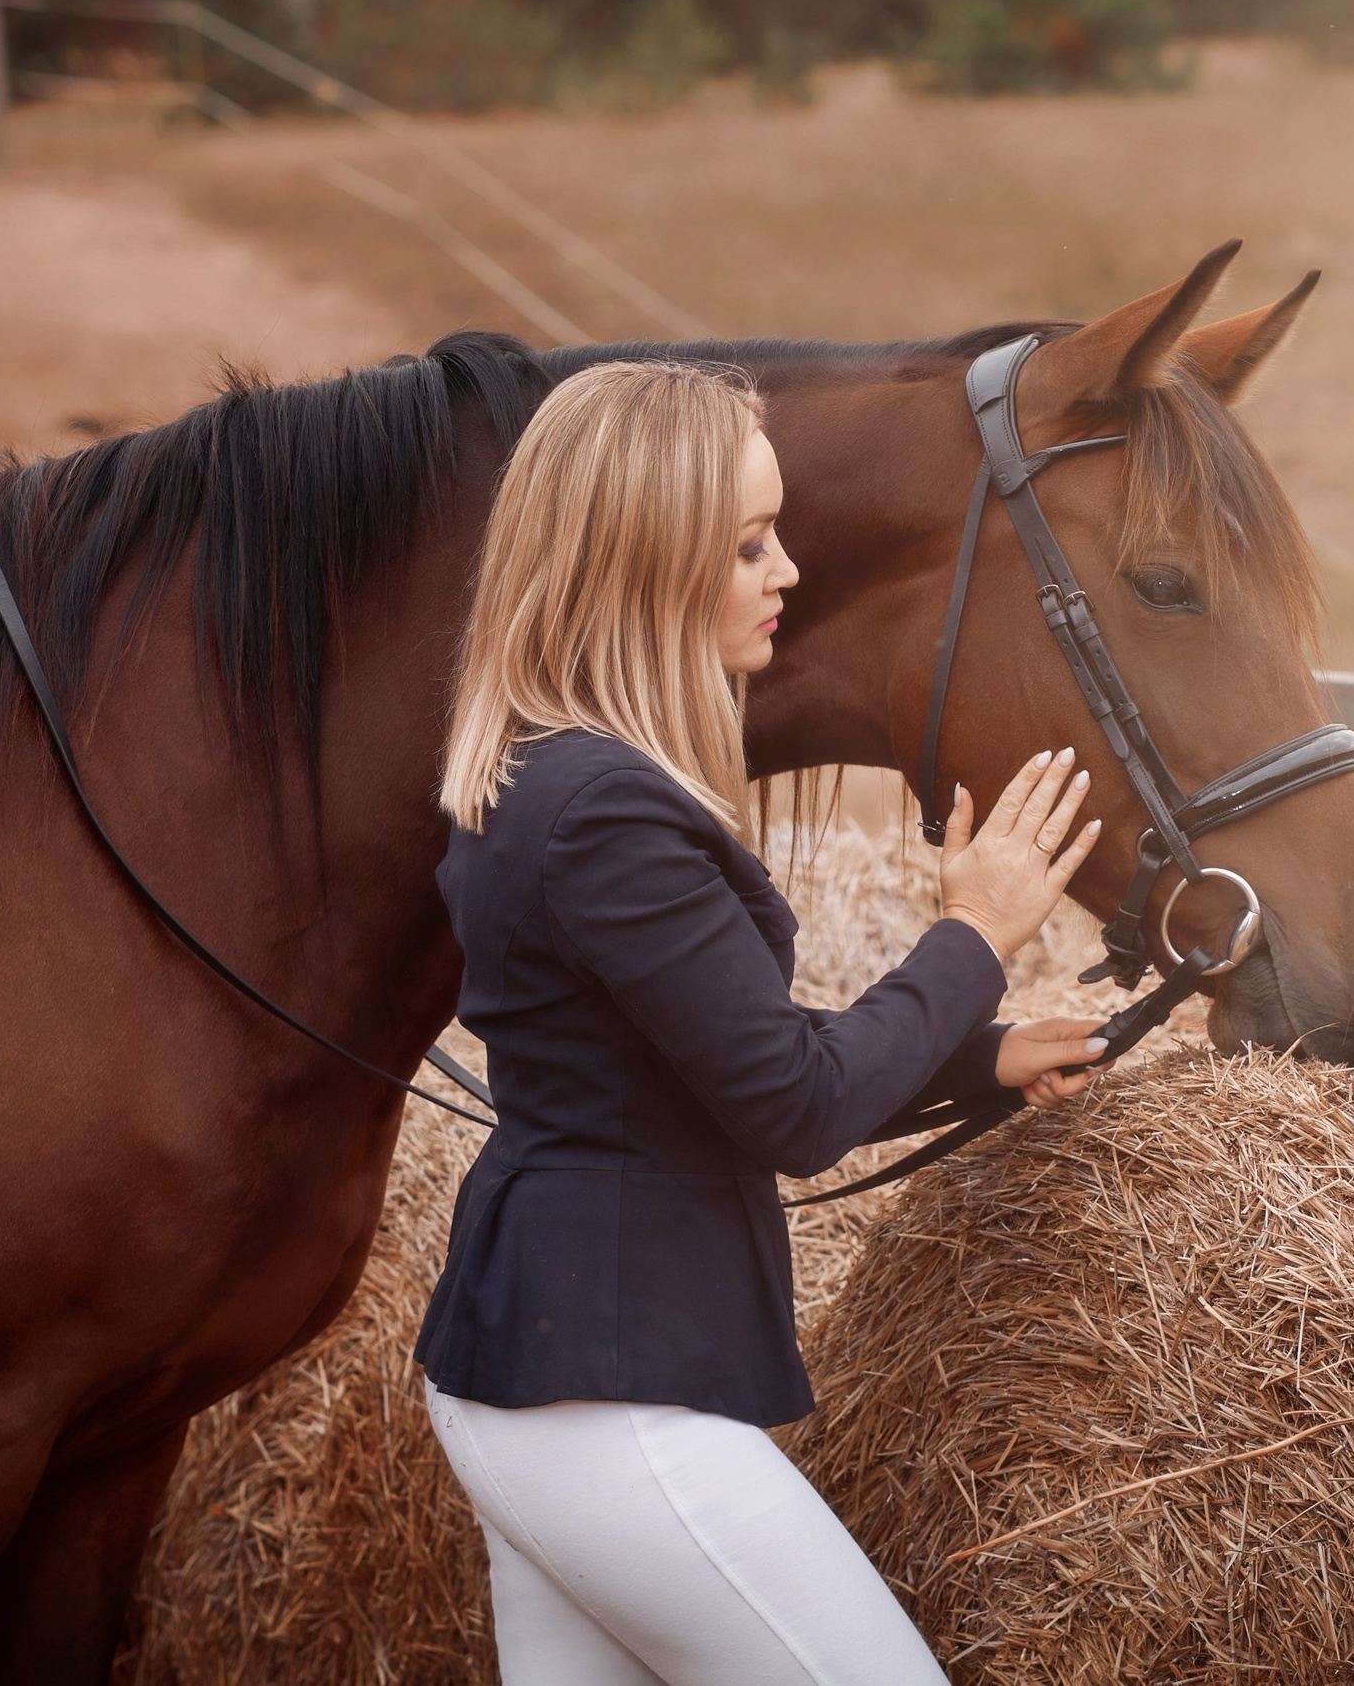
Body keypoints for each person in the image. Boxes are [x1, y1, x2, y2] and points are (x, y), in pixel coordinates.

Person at [415, 359, 1108, 1684]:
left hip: (541, 1380)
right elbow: (796, 1107)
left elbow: (716, 1064)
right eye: (746, 544)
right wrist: (975, 935)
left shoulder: (546, 775)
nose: (786, 569)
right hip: (603, 1403)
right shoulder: (608, 809)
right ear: (646, 566)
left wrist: (977, 1054)